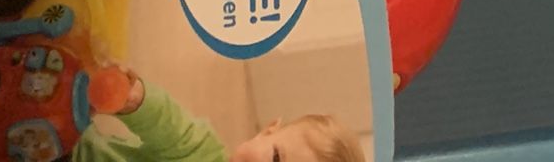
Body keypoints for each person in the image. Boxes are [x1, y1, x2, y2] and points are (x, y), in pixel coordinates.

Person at [75, 70, 365, 162]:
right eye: (276, 158)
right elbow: (171, 128)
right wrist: (137, 100)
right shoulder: (202, 152)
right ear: (269, 130)